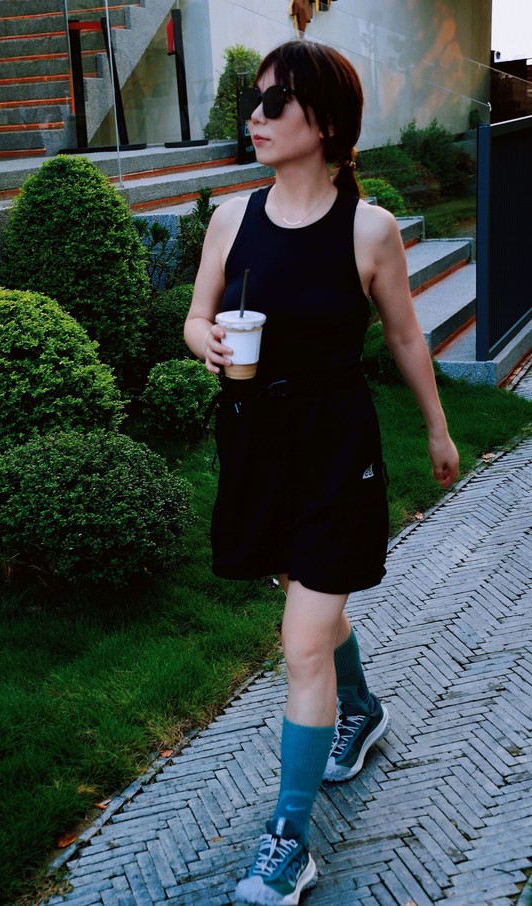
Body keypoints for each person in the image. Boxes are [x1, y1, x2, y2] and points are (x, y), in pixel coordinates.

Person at [184, 39, 459, 905]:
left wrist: (438, 430)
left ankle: (288, 839)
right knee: (306, 598)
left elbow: (405, 335)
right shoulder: (232, 219)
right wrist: (207, 342)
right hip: (256, 447)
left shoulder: (369, 229)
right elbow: (196, 317)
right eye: (254, 99)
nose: (255, 117)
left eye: (276, 102)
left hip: (336, 451)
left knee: (303, 639)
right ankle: (362, 709)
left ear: (328, 123)